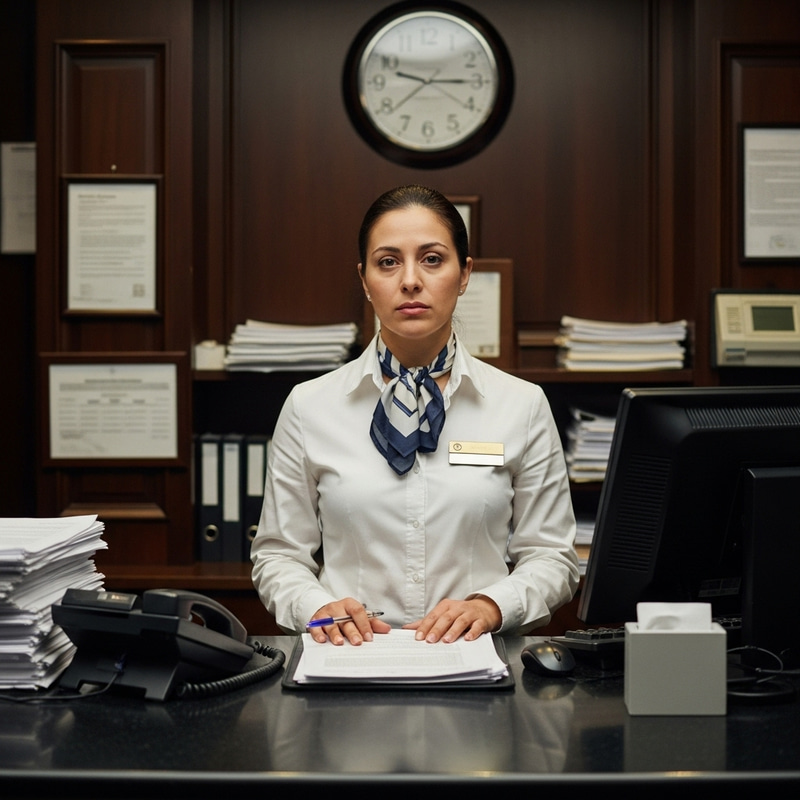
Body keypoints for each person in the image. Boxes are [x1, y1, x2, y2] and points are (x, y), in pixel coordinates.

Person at [250, 184, 579, 646]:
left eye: (432, 259)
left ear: (464, 275)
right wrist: (316, 608)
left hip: (477, 665)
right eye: (388, 262)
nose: (409, 280)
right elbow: (278, 556)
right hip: (349, 666)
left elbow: (552, 557)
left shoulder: (520, 405)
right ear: (364, 280)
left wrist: (490, 606)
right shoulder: (309, 406)